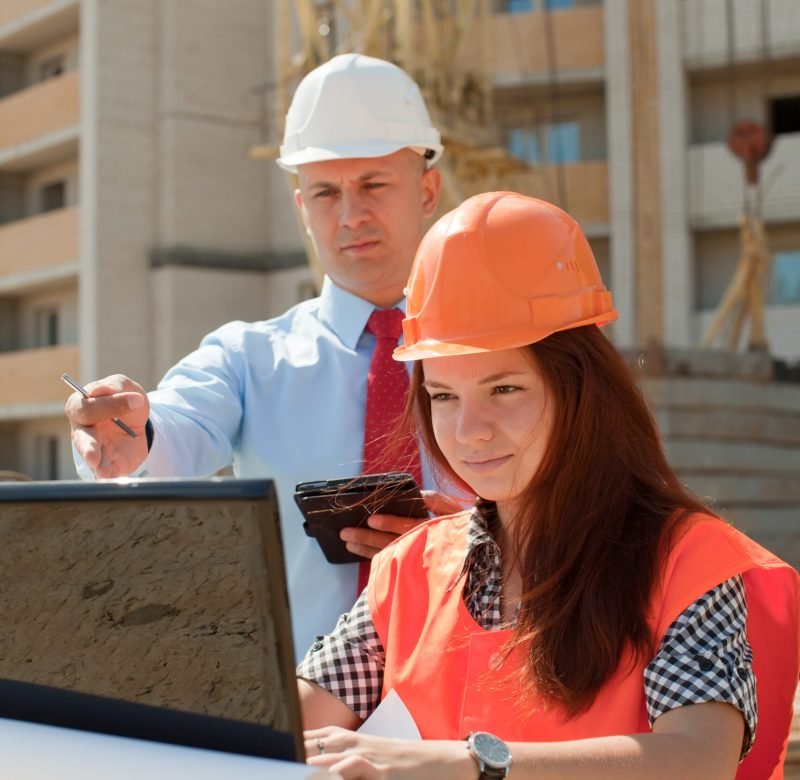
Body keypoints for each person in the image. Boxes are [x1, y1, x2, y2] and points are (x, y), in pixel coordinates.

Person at [296, 192, 800, 779]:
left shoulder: (688, 563)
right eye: (444, 397)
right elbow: (286, 726)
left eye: (504, 389)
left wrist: (464, 766)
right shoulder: (408, 570)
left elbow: (696, 759)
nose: (470, 432)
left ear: (581, 393)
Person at [64, 53, 450, 655]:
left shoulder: (507, 355)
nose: (350, 215)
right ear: (302, 209)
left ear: (428, 189)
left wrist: (474, 534)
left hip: (467, 714)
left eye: (373, 183)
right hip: (301, 717)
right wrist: (128, 436)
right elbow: (173, 431)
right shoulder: (248, 358)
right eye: (325, 192)